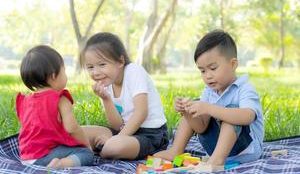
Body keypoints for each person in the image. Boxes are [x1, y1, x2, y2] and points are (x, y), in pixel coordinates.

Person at [154, 30, 264, 166]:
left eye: (213, 68)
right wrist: (187, 112)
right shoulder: (209, 92)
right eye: (203, 71)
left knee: (231, 112)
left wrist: (209, 108)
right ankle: (176, 150)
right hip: (214, 148)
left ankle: (217, 160)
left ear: (233, 64)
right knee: (194, 106)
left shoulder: (244, 88)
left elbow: (247, 116)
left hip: (245, 151)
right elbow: (201, 128)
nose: (208, 76)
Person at [80, 32, 169, 160]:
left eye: (102, 65)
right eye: (90, 67)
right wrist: (106, 99)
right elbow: (117, 125)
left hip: (150, 135)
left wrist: (116, 138)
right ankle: (98, 147)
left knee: (113, 147)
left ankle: (99, 150)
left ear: (120, 61)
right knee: (77, 132)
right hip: (124, 131)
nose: (95, 72)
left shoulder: (133, 71)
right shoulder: (105, 84)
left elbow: (141, 112)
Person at [16, 45, 94, 169]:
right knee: (86, 154)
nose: (66, 75)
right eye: (64, 71)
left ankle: (55, 161)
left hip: (26, 156)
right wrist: (86, 144)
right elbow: (72, 128)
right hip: (44, 155)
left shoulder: (25, 101)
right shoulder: (60, 98)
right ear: (53, 75)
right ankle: (60, 164)